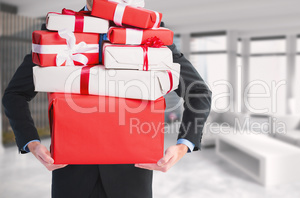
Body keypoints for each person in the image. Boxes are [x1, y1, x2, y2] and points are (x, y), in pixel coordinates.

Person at [1, 0, 212, 197]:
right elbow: (15, 94)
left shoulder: (148, 34)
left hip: (131, 178)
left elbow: (199, 92)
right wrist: (33, 143)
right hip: (71, 177)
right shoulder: (61, 31)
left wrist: (183, 145)